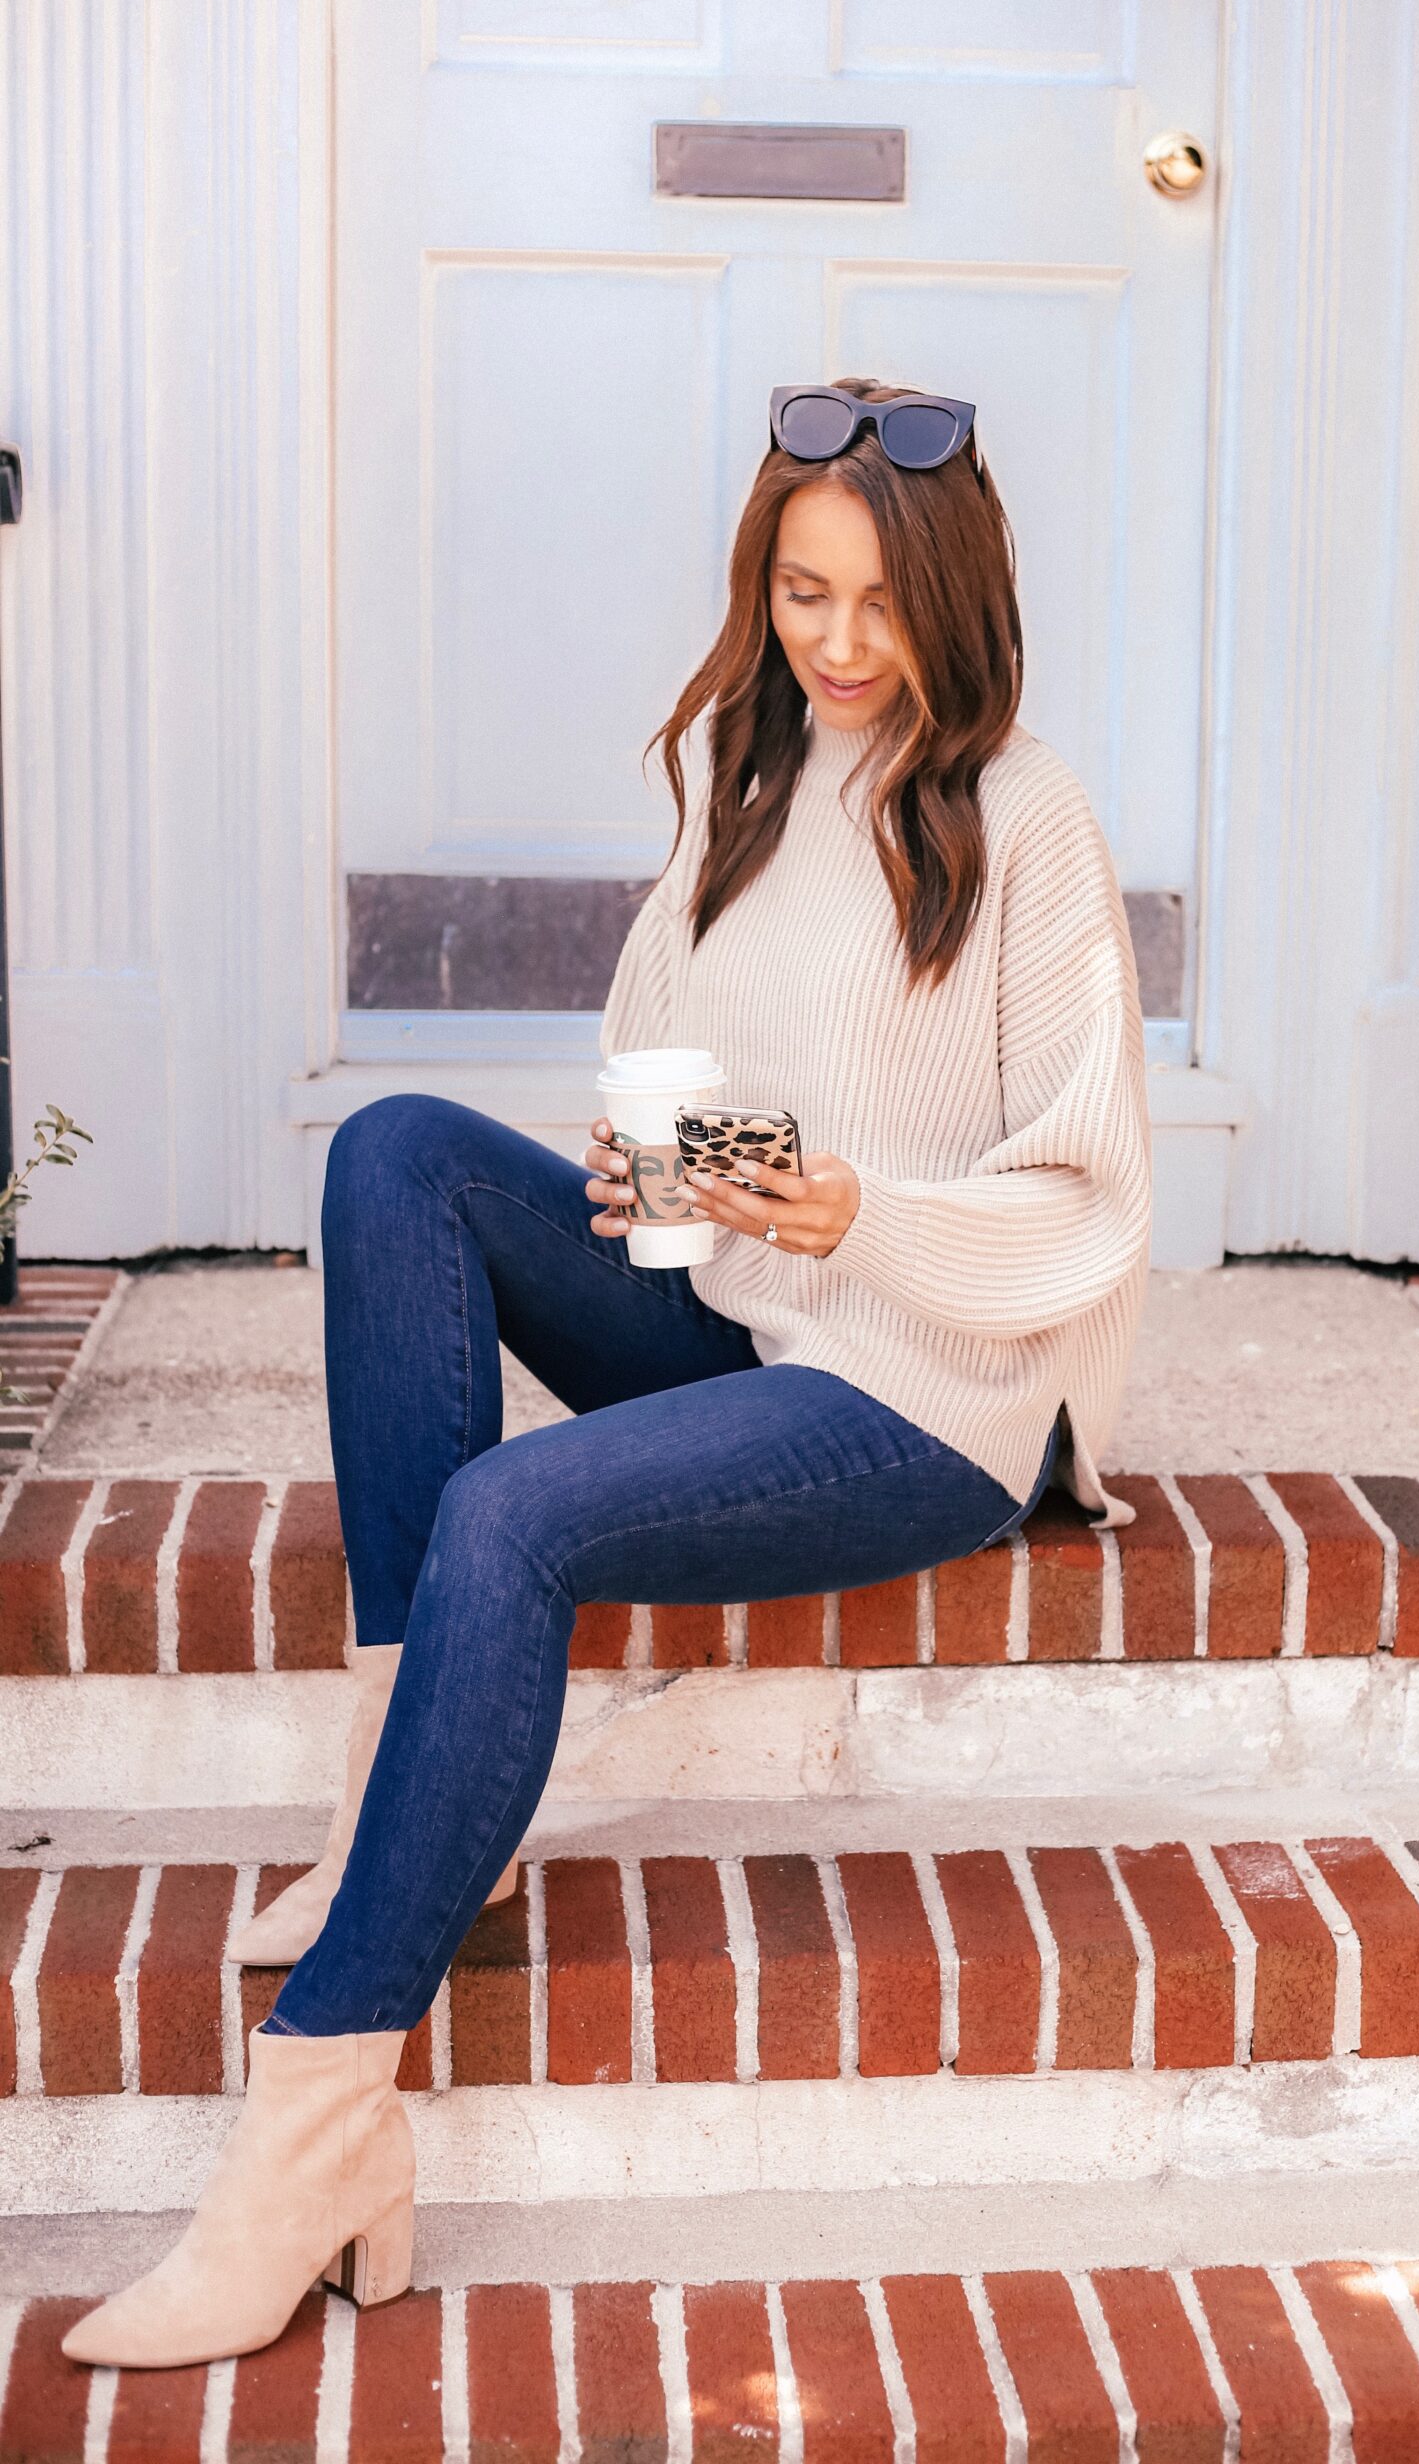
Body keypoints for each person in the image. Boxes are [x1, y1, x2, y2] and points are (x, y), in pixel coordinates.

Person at [64, 377, 1152, 2369]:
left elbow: (1085, 1194)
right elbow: (690, 1142)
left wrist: (860, 1215)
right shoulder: (736, 777)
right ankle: (396, 1800)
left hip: (927, 1389)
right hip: (757, 1300)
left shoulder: (1020, 814)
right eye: (798, 591)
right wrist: (686, 1175)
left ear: (956, 600)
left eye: (875, 605)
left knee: (511, 1514)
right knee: (396, 1150)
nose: (832, 642)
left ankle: (311, 2136)